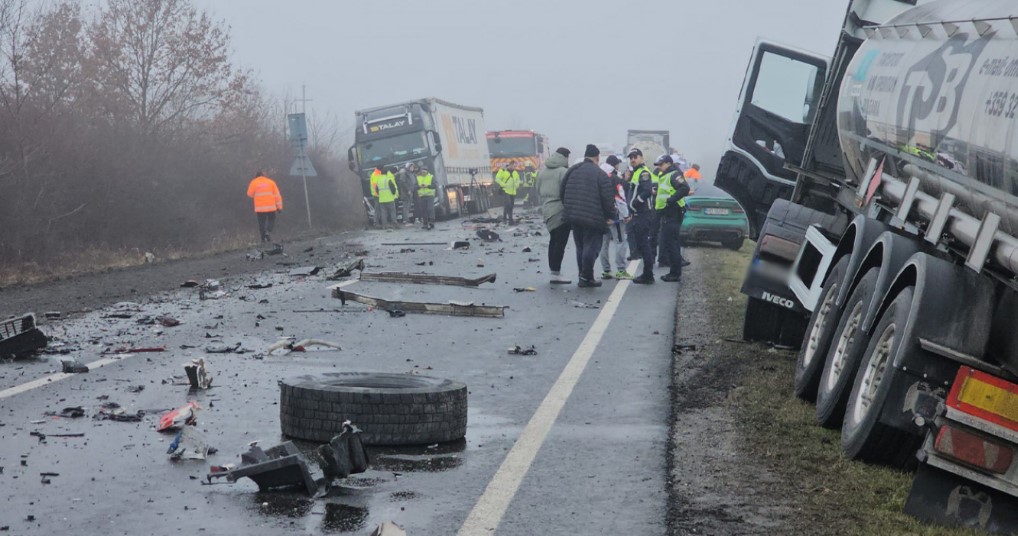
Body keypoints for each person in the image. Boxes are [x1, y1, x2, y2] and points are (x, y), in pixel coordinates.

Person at [560, 144, 617, 288]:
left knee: (580, 246)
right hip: (593, 217)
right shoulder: (600, 174)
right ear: (597, 158)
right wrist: (611, 215)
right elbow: (608, 198)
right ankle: (586, 276)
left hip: (573, 216)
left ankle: (583, 276)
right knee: (592, 247)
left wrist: (568, 208)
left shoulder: (572, 170)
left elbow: (562, 190)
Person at [537, 147, 572, 284]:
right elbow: (567, 191)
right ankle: (556, 273)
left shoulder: (542, 172)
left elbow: (538, 190)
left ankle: (553, 271)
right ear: (565, 157)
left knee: (553, 241)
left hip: (547, 209)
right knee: (560, 242)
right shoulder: (563, 172)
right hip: (560, 210)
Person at [655, 155, 691, 282]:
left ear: (668, 163)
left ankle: (675, 273)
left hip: (673, 212)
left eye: (661, 164)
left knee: (672, 243)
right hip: (667, 212)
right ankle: (673, 271)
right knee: (670, 243)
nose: (659, 167)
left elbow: (685, 188)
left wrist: (671, 200)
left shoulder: (674, 174)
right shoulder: (665, 175)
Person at [627, 148, 658, 284]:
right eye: (631, 157)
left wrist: (635, 202)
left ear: (641, 158)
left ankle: (648, 275)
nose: (633, 160)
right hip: (638, 213)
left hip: (643, 213)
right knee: (642, 243)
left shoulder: (643, 172)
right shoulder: (636, 172)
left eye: (635, 157)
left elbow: (646, 191)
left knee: (644, 244)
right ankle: (647, 274)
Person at [599, 155, 632, 280]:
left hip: (601, 217)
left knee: (604, 243)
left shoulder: (598, 176)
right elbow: (620, 199)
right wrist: (626, 215)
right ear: (615, 165)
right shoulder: (615, 179)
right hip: (615, 216)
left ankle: (606, 270)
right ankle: (621, 270)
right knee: (620, 241)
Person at [247, 170, 283, 243]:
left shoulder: (254, 182)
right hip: (271, 207)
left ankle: (263, 239)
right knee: (271, 219)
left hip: (260, 208)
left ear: (256, 176)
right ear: (263, 175)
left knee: (261, 223)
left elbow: (249, 194)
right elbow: (277, 195)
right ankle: (268, 232)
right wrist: (279, 207)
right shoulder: (271, 182)